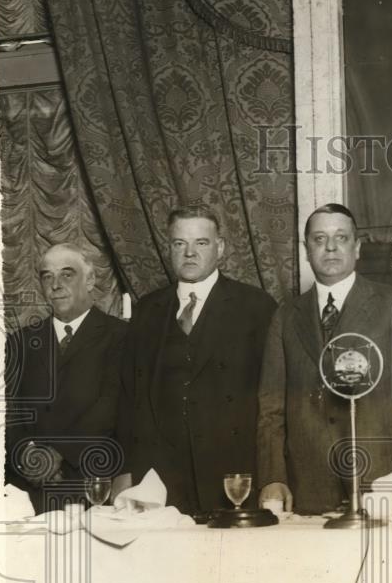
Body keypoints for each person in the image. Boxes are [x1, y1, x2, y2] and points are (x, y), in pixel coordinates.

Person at [257, 203, 392, 514]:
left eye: (341, 237)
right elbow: (271, 408)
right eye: (319, 238)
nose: (330, 247)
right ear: (306, 249)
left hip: (384, 482)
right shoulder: (285, 316)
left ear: (357, 247)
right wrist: (273, 476)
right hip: (309, 484)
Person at [118, 205, 276, 519]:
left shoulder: (256, 307)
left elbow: (271, 401)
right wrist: (126, 471)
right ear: (169, 248)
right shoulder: (148, 309)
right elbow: (130, 398)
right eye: (179, 243)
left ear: (220, 248)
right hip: (162, 482)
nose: (189, 253)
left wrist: (273, 476)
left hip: (231, 475)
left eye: (201, 243)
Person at [5, 243, 127, 514]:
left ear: (91, 279)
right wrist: (29, 458)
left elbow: (111, 407)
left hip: (93, 486)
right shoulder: (20, 342)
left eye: (66, 274)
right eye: (47, 276)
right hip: (30, 489)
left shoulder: (121, 336)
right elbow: (10, 414)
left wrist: (59, 454)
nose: (55, 285)